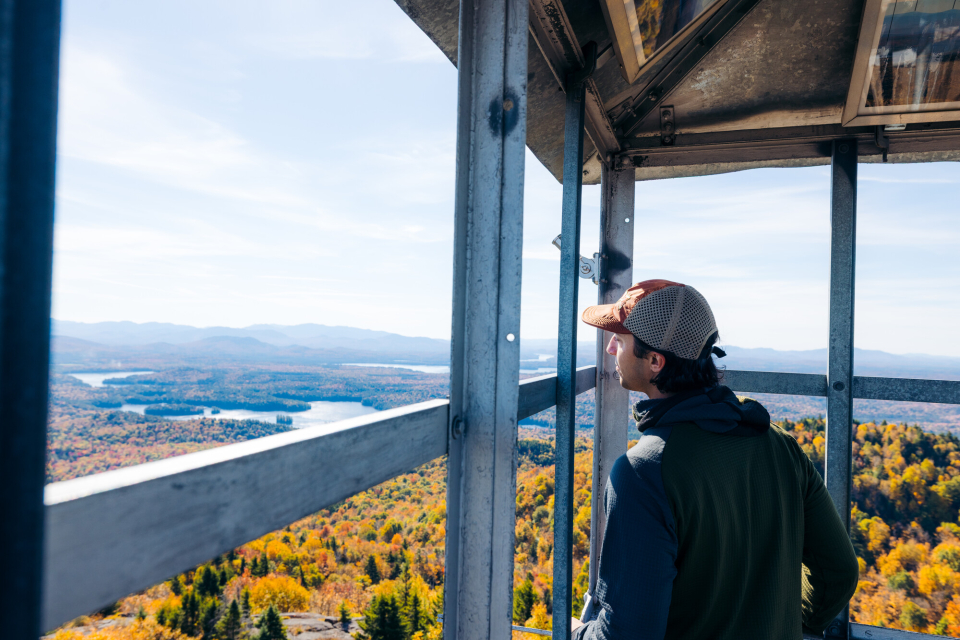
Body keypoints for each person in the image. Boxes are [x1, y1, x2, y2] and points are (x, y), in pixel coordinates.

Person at [573, 279, 859, 640]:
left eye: (622, 339)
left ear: (655, 362)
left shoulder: (643, 472)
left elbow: (627, 634)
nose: (611, 345)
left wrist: (578, 634)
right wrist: (787, 625)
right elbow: (839, 571)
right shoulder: (781, 445)